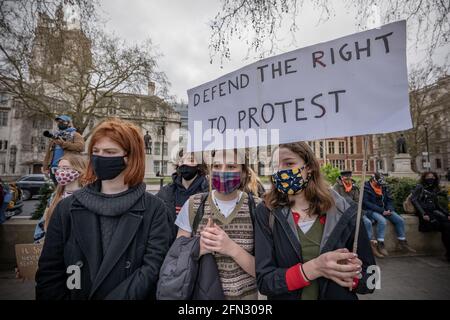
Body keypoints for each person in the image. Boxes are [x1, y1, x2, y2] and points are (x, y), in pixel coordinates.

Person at [35, 118, 171, 300]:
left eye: (110, 152)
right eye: (96, 151)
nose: (100, 157)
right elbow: (49, 272)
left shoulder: (155, 209)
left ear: (129, 157)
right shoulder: (67, 208)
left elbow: (152, 269)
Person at [255, 142, 375, 300]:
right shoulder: (266, 212)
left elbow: (373, 278)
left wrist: (353, 277)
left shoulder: (345, 210)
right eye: (276, 166)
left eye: (289, 163)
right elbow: (265, 282)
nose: (281, 171)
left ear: (309, 167)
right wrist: (314, 268)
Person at [175, 148, 261, 300]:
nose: (222, 172)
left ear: (243, 172)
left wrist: (231, 248)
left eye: (231, 167)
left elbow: (264, 271)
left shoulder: (257, 207)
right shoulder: (193, 205)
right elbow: (177, 261)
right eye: (217, 166)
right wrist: (198, 247)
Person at [33, 154, 87, 243]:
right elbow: (43, 223)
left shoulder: (88, 197)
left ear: (79, 170)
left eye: (66, 168)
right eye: (59, 168)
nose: (61, 172)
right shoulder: (55, 196)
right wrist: (39, 242)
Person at [156, 151, 209, 240]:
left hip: (197, 249)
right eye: (181, 160)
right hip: (169, 249)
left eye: (190, 160)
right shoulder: (165, 192)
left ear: (199, 165)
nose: (185, 163)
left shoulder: (208, 192)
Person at [333, 171, 384, 258]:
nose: (348, 180)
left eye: (349, 178)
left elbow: (358, 201)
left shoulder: (354, 188)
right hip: (342, 212)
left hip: (356, 211)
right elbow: (337, 201)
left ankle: (370, 246)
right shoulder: (336, 187)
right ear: (342, 178)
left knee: (367, 222)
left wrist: (355, 208)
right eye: (346, 178)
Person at [363, 173, 416, 256]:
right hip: (372, 210)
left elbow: (390, 199)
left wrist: (390, 209)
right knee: (382, 221)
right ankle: (380, 244)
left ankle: (402, 243)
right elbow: (366, 203)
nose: (380, 186)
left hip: (385, 210)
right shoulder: (366, 188)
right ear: (373, 180)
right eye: (378, 184)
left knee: (400, 220)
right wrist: (381, 211)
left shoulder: (384, 187)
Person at [411, 171, 450, 262]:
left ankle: (448, 253)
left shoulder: (434, 189)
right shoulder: (419, 187)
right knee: (446, 227)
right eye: (428, 176)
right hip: (425, 213)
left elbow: (437, 205)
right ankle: (448, 254)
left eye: (432, 176)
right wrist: (423, 213)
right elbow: (414, 200)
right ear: (424, 178)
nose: (430, 178)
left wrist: (447, 214)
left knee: (447, 225)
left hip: (434, 211)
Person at [42, 115, 85, 185]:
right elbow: (48, 154)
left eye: (62, 121)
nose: (60, 123)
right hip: (54, 169)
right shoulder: (55, 136)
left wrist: (63, 144)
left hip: (68, 168)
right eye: (58, 122)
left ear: (69, 123)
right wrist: (45, 168)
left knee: (67, 190)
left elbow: (81, 147)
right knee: (57, 191)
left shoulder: (75, 135)